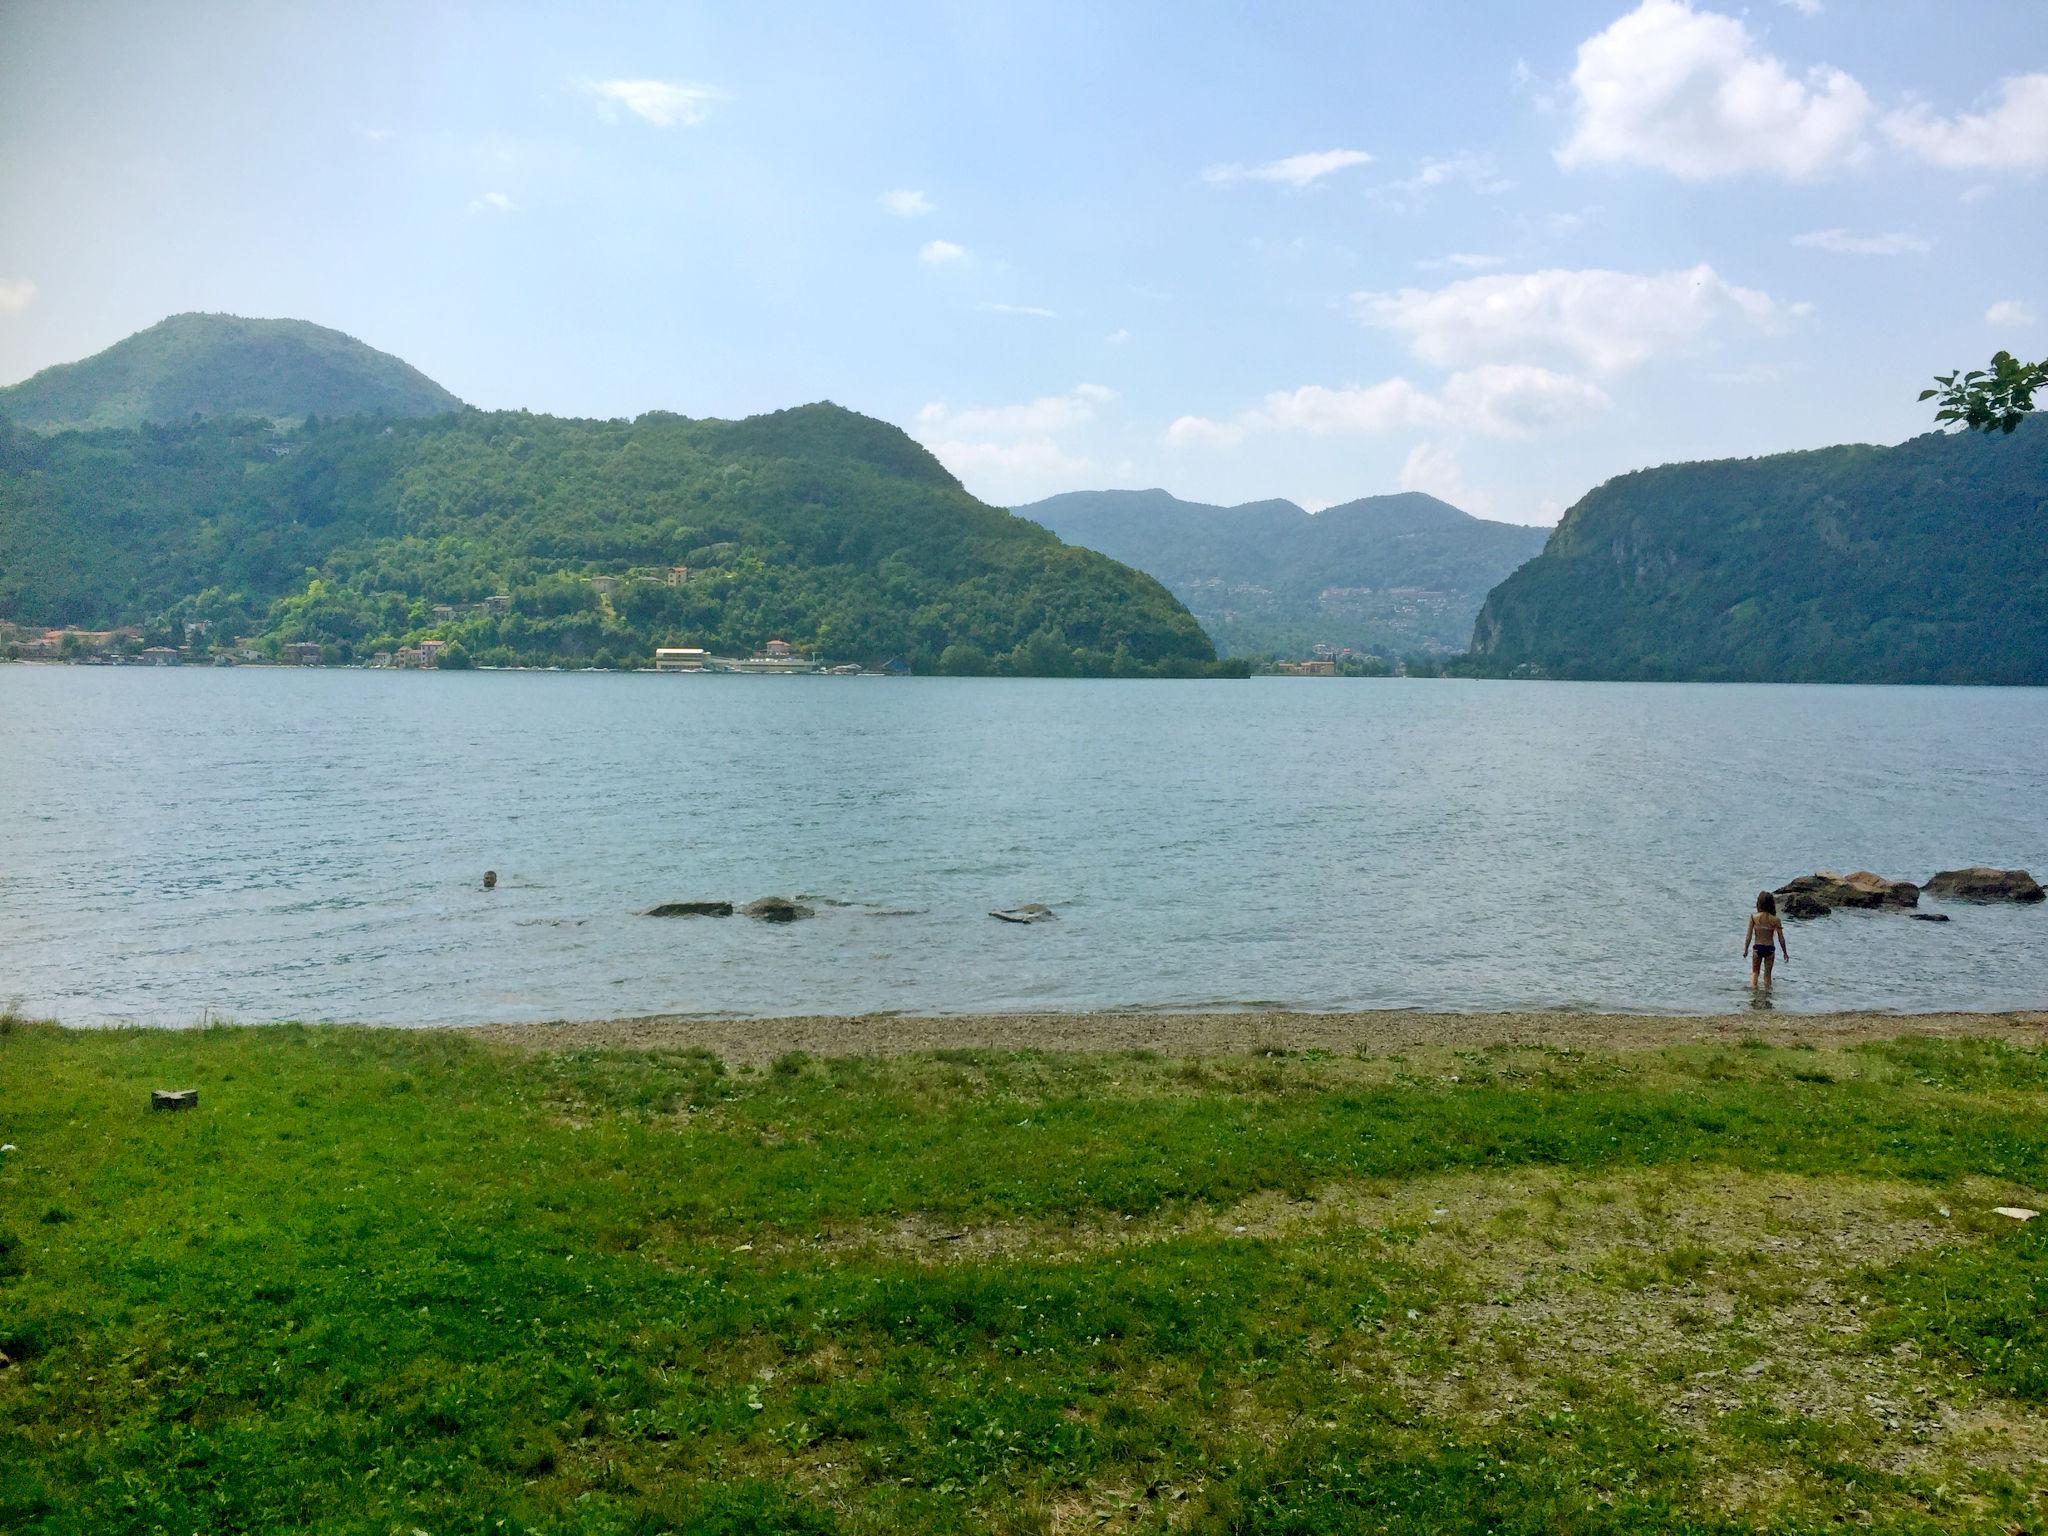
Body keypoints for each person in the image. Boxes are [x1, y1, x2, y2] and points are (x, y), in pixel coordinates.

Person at [1744, 891, 1787, 989]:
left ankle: (1754, 995)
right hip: (1770, 949)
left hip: (1757, 948)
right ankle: (1768, 997)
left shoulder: (1754, 917)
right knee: (1767, 976)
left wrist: (1746, 949)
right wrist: (1785, 952)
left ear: (1759, 903)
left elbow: (1749, 936)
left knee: (1755, 973)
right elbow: (1781, 938)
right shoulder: (1776, 920)